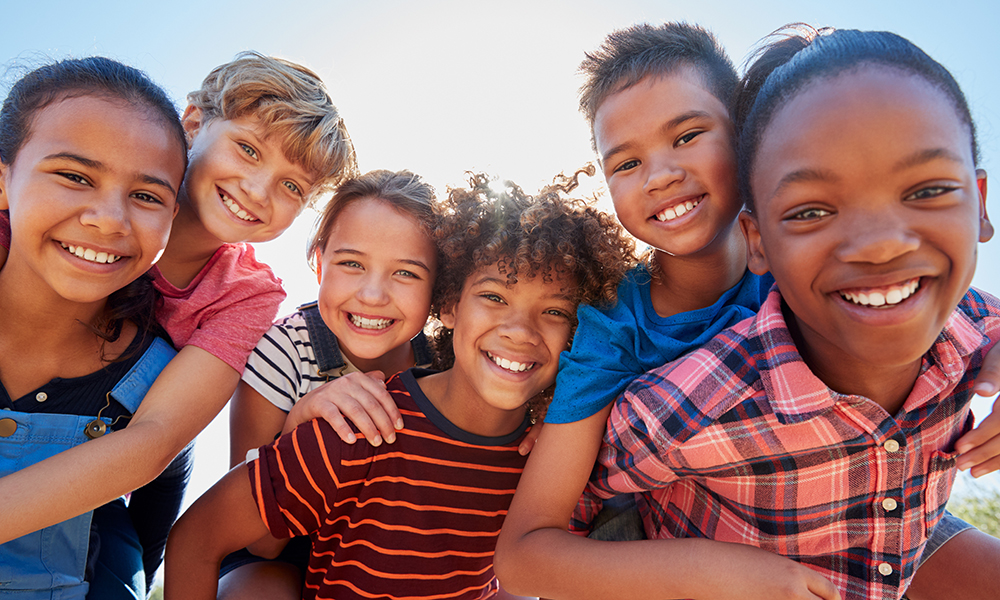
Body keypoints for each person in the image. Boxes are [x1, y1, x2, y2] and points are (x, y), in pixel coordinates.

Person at [495, 23, 1000, 599]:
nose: (660, 175)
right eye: (626, 164)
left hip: (851, 499)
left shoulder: (825, 262)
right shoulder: (616, 332)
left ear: (748, 141)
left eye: (687, 135)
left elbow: (973, 313)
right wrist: (708, 572)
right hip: (663, 529)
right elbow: (534, 539)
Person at [163, 172, 633, 600]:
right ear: (450, 305)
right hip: (277, 543)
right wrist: (301, 422)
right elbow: (235, 539)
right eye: (493, 297)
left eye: (555, 312)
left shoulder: (542, 449)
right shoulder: (336, 404)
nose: (519, 330)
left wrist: (557, 418)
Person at [0, 51, 357, 591]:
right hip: (49, 409)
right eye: (247, 149)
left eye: (292, 188)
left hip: (138, 444)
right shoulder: (57, 221)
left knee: (128, 557)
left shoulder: (245, 291)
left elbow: (155, 441)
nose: (258, 191)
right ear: (194, 124)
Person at [0, 57, 186, 598]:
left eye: (147, 196)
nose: (109, 218)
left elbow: (163, 483)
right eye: (75, 176)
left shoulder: (156, 380)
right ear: (5, 180)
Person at [218, 169, 440, 599]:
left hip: (394, 550)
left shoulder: (447, 366)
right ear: (320, 264)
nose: (373, 294)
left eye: (407, 273)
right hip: (282, 551)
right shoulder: (284, 351)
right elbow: (257, 539)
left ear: (438, 288)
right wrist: (299, 424)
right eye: (351, 264)